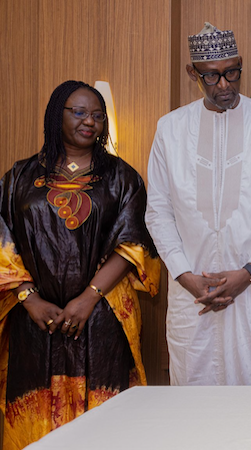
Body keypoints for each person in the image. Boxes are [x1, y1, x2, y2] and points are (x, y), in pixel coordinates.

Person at [0, 80, 160, 449]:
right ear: (58, 115)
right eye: (80, 112)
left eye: (98, 115)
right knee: (36, 422)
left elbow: (133, 243)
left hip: (101, 319)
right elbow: (2, 238)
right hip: (34, 322)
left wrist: (88, 298)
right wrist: (29, 297)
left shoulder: (123, 178)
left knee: (105, 423)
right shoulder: (19, 177)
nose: (91, 121)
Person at [145, 23, 251, 386]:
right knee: (196, 404)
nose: (225, 85)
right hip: (193, 292)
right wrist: (185, 277)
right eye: (212, 77)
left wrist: (248, 272)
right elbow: (158, 212)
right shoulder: (170, 130)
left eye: (232, 72)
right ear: (193, 74)